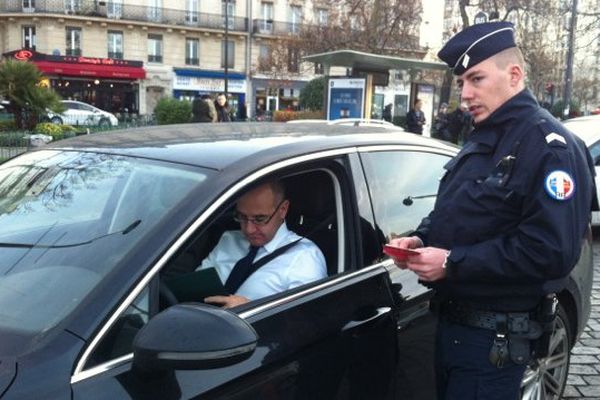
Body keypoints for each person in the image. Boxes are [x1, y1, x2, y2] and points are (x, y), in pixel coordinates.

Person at [388, 21, 596, 400]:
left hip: (493, 343)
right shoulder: (486, 136)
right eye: (462, 82)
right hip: (454, 328)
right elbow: (461, 213)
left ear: (513, 74)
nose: (465, 94)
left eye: (476, 79)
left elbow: (550, 252)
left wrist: (453, 263)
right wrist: (422, 238)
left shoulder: (550, 147)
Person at [198, 180, 327, 308]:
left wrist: (249, 308)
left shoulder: (304, 258)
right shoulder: (229, 239)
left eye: (259, 219)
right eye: (242, 217)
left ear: (283, 209)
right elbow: (197, 285)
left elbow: (305, 321)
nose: (249, 229)